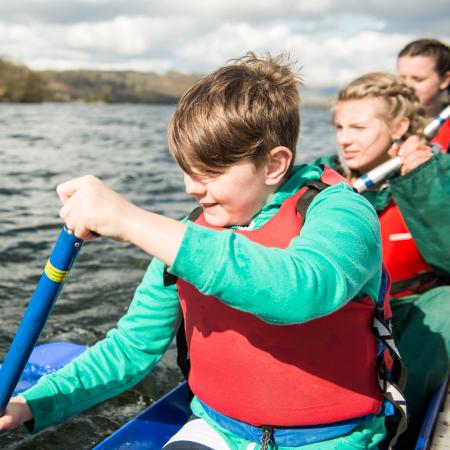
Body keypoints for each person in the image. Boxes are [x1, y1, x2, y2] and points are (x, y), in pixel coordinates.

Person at [1, 54, 399, 449]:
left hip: (332, 438)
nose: (192, 187)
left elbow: (301, 290)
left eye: (209, 171)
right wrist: (28, 405)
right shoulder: (189, 234)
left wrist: (133, 221)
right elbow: (131, 348)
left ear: (274, 165)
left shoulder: (342, 212)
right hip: (216, 429)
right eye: (187, 170)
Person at [312, 71, 450, 449]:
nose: (344, 138)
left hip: (412, 306)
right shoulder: (320, 176)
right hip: (346, 308)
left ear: (400, 126)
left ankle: (397, 430)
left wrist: (421, 181)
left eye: (358, 126)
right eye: (340, 126)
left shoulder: (436, 174)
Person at [397, 38, 450, 152]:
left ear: (444, 80)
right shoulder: (386, 122)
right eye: (402, 78)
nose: (407, 85)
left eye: (418, 79)